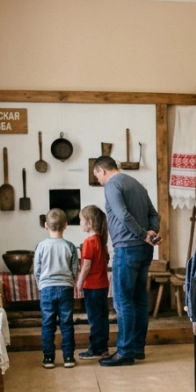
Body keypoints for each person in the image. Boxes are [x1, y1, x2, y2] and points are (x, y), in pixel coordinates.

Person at [94, 157, 160, 367]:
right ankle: (137, 348)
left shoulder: (113, 184)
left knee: (122, 301)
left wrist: (143, 234)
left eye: (97, 177)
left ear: (102, 170)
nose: (98, 182)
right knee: (139, 299)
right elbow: (154, 214)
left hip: (127, 248)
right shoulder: (136, 183)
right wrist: (151, 232)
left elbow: (122, 215)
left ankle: (125, 352)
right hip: (144, 249)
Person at [33, 209, 79, 369]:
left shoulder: (41, 246)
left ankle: (48, 359)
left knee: (47, 324)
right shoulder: (70, 246)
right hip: (66, 288)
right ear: (66, 226)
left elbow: (37, 270)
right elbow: (75, 269)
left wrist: (41, 284)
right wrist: (70, 282)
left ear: (46, 226)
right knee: (66, 324)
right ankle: (68, 357)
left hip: (46, 289)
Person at [75, 205, 111, 360]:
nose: (80, 223)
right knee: (102, 318)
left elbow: (87, 265)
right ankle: (103, 348)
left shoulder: (89, 242)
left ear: (89, 223)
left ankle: (96, 348)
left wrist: (79, 281)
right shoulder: (101, 241)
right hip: (103, 285)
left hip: (92, 286)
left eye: (81, 220)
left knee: (95, 319)